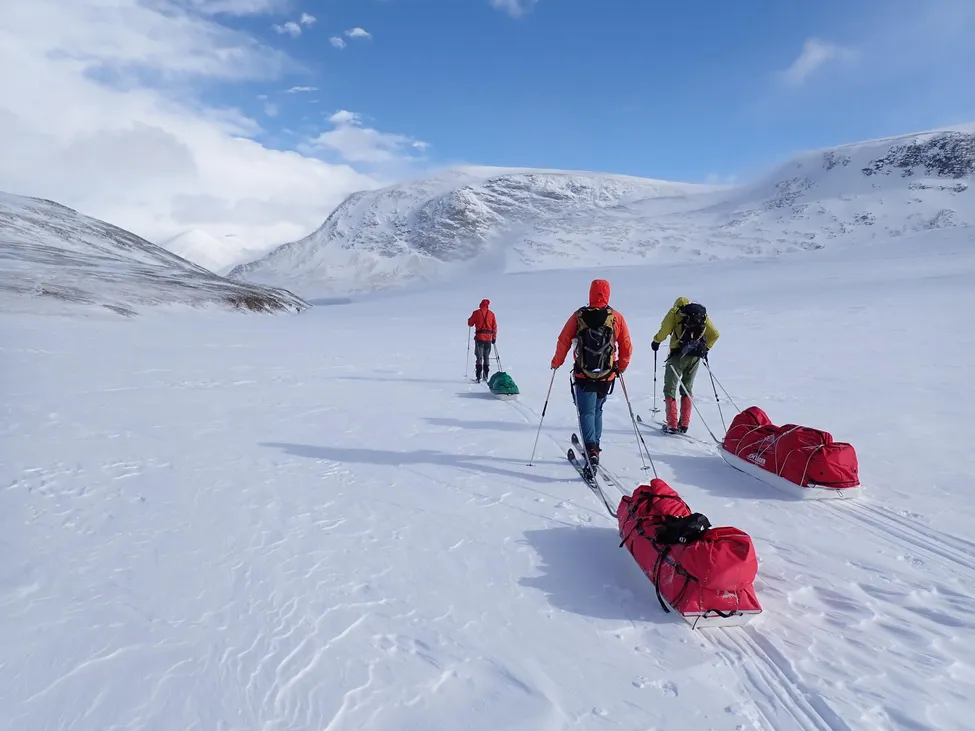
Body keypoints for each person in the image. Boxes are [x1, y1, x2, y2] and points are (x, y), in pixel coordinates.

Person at [550, 279, 632, 466]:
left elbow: (564, 339)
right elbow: (626, 345)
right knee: (597, 409)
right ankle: (595, 444)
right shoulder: (616, 317)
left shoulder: (579, 316)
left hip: (583, 373)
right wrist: (621, 366)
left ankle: (591, 449)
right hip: (606, 374)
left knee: (586, 411)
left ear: (590, 293)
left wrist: (557, 362)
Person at [650, 297, 720, 433]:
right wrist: (706, 349)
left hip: (677, 356)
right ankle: (684, 424)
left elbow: (664, 331)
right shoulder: (701, 316)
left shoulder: (675, 313)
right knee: (687, 388)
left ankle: (672, 424)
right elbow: (715, 334)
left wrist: (656, 341)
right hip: (695, 356)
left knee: (670, 388)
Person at [467, 298, 497, 382]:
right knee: (486, 357)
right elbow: (494, 327)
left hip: (479, 338)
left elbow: (470, 323)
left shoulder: (476, 313)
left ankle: (478, 376)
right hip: (488, 339)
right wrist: (494, 338)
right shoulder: (491, 314)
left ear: (480, 305)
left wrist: (469, 320)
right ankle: (485, 375)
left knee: (479, 357)